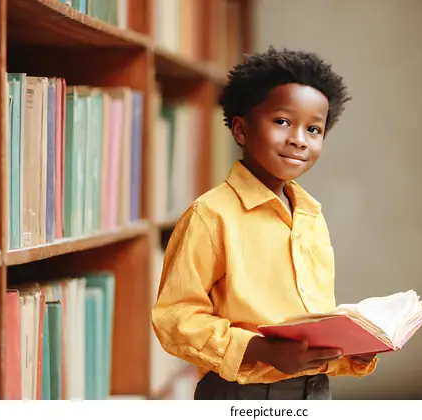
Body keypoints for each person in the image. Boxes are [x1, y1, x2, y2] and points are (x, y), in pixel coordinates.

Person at [151, 46, 378, 400]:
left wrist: (352, 347)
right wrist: (261, 350)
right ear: (241, 130)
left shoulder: (309, 215)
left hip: (315, 391)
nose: (299, 140)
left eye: (314, 129)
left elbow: (308, 325)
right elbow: (176, 321)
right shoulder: (210, 216)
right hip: (243, 395)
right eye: (282, 122)